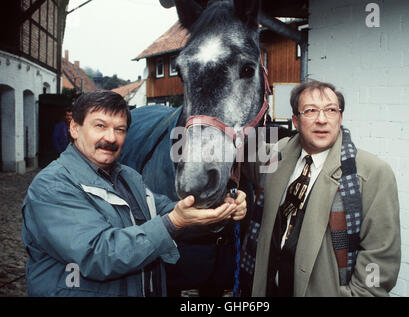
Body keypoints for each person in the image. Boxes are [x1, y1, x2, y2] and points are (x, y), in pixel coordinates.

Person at [21, 90, 246, 297]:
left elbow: (167, 209)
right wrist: (174, 222)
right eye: (100, 126)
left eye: (119, 129)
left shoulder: (127, 177)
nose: (111, 137)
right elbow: (99, 255)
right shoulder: (53, 186)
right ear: (74, 129)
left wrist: (219, 208)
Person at [250, 80, 401, 296]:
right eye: (310, 111)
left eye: (331, 110)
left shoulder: (372, 173)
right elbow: (238, 152)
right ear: (296, 120)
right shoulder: (279, 154)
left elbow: (380, 258)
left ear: (340, 118)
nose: (322, 120)